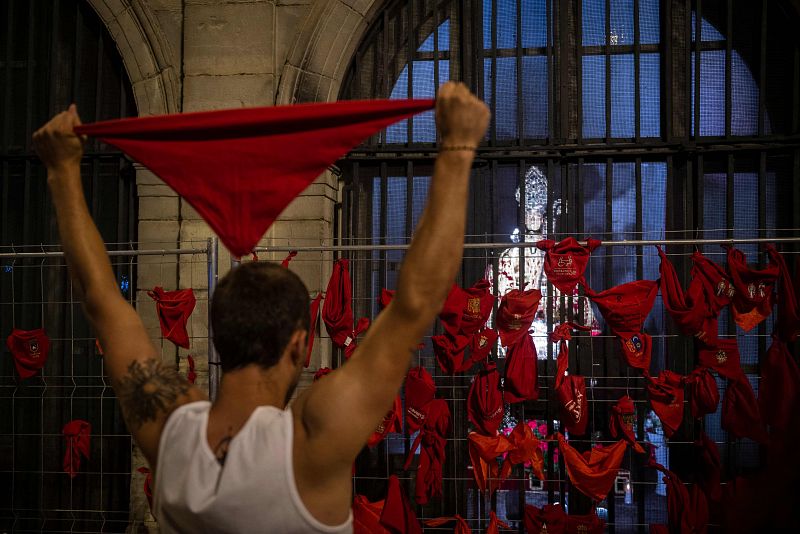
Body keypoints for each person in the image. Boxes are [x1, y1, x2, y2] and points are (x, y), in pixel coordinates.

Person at [33, 81, 490, 533]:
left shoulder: (170, 426)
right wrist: (460, 146)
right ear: (298, 344)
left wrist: (62, 171)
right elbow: (415, 302)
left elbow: (102, 299)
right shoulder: (312, 441)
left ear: (218, 335)